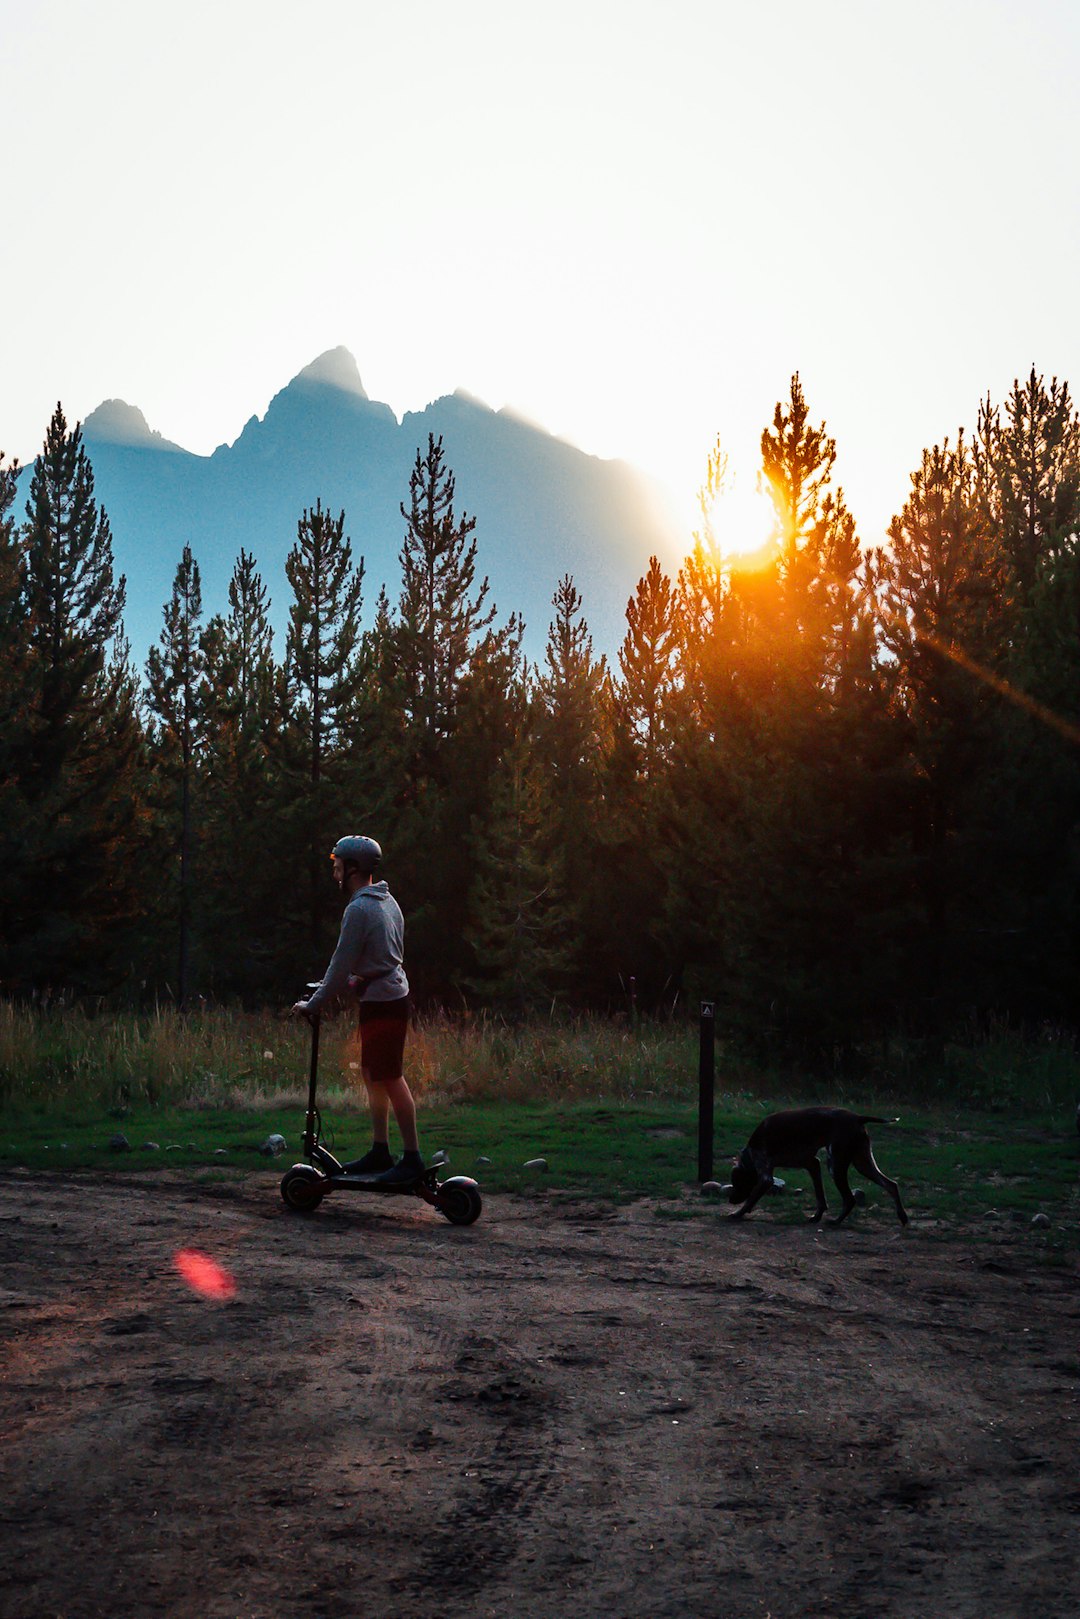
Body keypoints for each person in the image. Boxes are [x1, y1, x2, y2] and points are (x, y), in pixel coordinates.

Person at [291, 835, 423, 1187]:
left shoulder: (359, 909)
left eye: (337, 867)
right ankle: (380, 1150)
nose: (335, 873)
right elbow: (377, 958)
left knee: (391, 1077)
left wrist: (313, 1004)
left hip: (383, 1002)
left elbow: (340, 963)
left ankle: (412, 1159)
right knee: (371, 1073)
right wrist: (342, 983)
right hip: (387, 995)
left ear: (352, 868)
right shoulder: (387, 901)